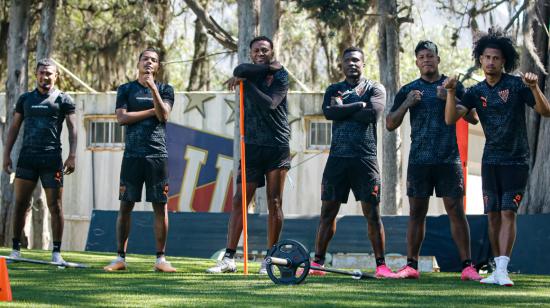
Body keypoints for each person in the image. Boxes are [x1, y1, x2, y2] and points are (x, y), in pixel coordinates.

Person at [443, 29, 550, 286]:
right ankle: (496, 269)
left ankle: (503, 268)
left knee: (507, 212)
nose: (491, 62)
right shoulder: (475, 91)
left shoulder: (516, 85)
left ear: (504, 61)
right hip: (490, 161)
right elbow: (450, 119)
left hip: (516, 160)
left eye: (496, 58)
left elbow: (546, 111)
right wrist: (450, 92)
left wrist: (534, 88)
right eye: (486, 57)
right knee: (492, 214)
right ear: (480, 60)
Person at [386, 41, 482, 280]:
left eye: (430, 56)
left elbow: (473, 118)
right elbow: (390, 123)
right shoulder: (409, 89)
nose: (426, 60)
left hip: (448, 159)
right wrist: (407, 103)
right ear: (416, 62)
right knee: (416, 213)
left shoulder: (453, 85)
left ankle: (467, 267)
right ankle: (411, 266)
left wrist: (449, 98)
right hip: (419, 160)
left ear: (438, 59)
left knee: (456, 211)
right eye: (421, 57)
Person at [206, 36, 290, 274]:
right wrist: (244, 76)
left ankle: (270, 259)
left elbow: (271, 103)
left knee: (274, 202)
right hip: (251, 145)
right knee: (239, 200)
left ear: (272, 51)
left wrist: (246, 84)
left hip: (276, 144)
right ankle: (229, 259)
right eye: (256, 50)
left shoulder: (281, 75)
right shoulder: (248, 71)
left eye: (265, 50)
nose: (260, 53)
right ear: (250, 53)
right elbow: (239, 69)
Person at [309, 47, 394, 279]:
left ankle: (381, 266)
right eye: (347, 60)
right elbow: (329, 113)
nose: (352, 63)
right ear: (342, 65)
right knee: (328, 212)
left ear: (363, 63)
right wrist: (358, 105)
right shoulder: (334, 89)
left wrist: (343, 109)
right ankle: (317, 263)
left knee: (373, 214)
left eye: (356, 60)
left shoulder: (375, 88)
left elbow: (373, 115)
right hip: (337, 159)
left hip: (365, 159)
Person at [103, 48, 176, 272]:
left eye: (154, 61)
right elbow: (122, 118)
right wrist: (151, 111)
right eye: (145, 59)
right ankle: (120, 259)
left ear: (158, 67)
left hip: (157, 156)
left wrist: (153, 89)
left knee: (160, 207)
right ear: (138, 63)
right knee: (126, 205)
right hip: (132, 155)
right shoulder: (126, 89)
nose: (149, 63)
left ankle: (160, 260)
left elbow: (164, 115)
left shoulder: (165, 89)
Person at [3, 58, 77, 264]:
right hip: (27, 159)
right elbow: (15, 127)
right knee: (20, 204)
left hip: (52, 159)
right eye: (42, 73)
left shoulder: (64, 99)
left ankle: (56, 253)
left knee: (56, 206)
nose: (45, 77)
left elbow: (73, 129)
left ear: (56, 76)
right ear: (36, 74)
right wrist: (6, 154)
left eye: (49, 73)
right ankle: (16, 250)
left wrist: (72, 155)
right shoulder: (25, 99)